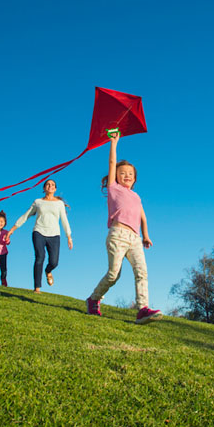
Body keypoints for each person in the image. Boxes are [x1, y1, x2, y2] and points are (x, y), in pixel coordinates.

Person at [86, 132, 162, 324]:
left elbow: (143, 217)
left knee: (142, 272)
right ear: (116, 177)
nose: (126, 176)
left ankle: (142, 309)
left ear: (134, 179)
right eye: (122, 173)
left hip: (135, 238)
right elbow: (112, 163)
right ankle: (94, 299)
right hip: (117, 235)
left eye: (130, 174)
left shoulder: (136, 197)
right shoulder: (114, 189)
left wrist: (146, 235)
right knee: (114, 274)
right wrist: (114, 143)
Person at [5, 179, 72, 293]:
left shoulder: (59, 204)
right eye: (48, 184)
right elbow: (26, 215)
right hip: (39, 232)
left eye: (52, 185)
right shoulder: (38, 202)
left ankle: (48, 271)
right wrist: (12, 229)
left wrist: (69, 236)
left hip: (54, 235)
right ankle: (37, 287)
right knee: (39, 257)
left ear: (55, 189)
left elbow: (64, 220)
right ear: (44, 188)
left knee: (54, 262)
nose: (50, 186)